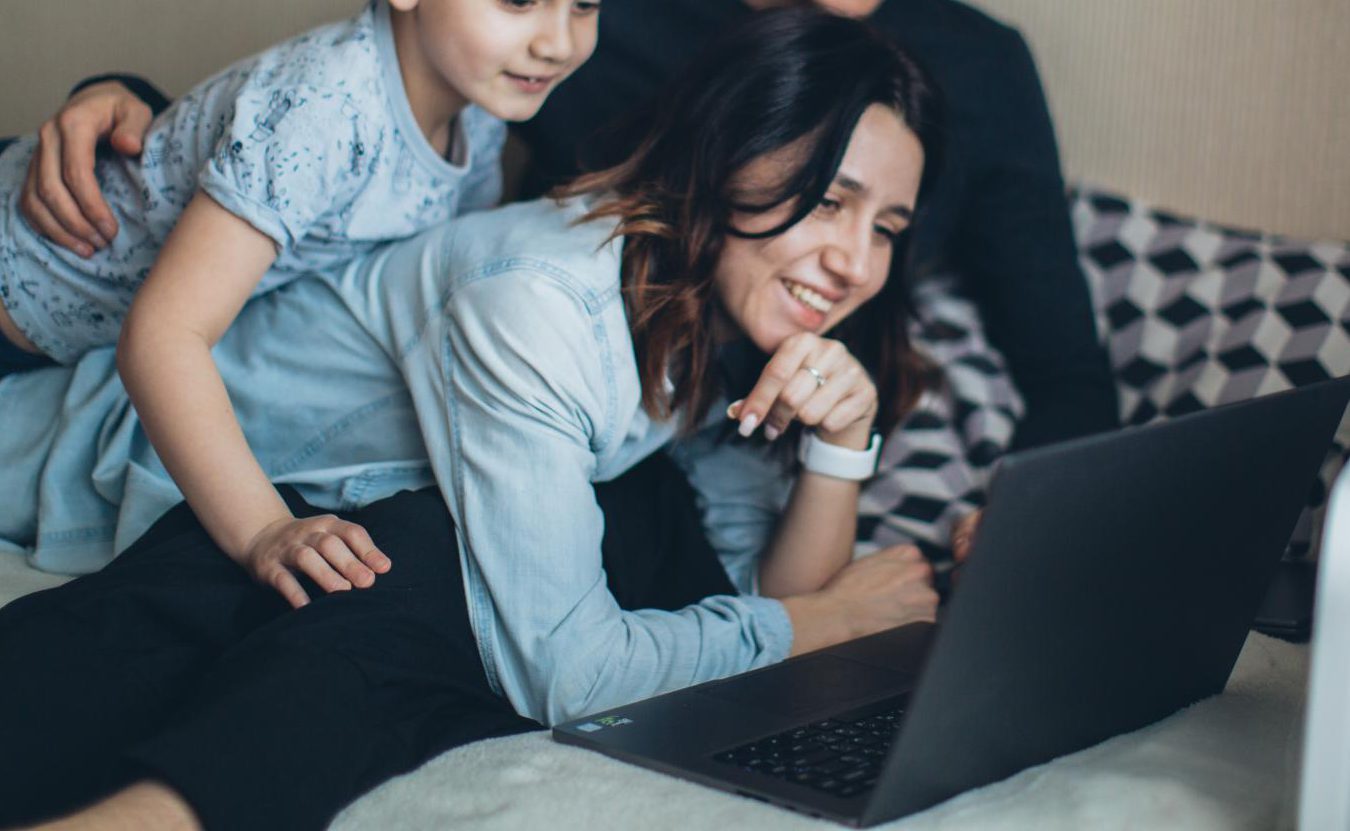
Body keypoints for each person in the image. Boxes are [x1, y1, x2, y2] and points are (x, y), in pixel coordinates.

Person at [0, 9, 941, 828]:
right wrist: (821, 623)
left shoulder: (716, 318)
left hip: (335, 498)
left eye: (887, 228)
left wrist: (838, 447)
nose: (856, 263)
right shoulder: (538, 298)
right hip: (118, 460)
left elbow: (763, 585)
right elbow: (577, 673)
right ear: (732, 152)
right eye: (828, 202)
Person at [0, 0, 599, 610]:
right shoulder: (326, 108)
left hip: (63, 339)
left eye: (586, 5)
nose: (555, 42)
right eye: (519, 2)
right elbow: (163, 335)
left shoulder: (479, 119)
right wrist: (264, 527)